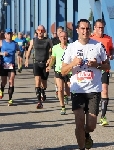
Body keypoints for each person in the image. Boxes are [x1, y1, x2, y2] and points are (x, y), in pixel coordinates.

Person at [61, 19, 110, 150]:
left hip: (94, 90)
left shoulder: (98, 46)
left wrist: (96, 65)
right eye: (82, 28)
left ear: (90, 30)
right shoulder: (71, 48)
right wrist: (73, 63)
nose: (85, 31)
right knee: (79, 121)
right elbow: (63, 70)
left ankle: (87, 134)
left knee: (91, 125)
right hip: (77, 89)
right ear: (77, 30)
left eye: (87, 28)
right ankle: (81, 148)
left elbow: (107, 66)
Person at [90, 19, 113, 126]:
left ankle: (103, 117)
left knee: (104, 91)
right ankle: (91, 112)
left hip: (104, 68)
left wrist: (112, 54)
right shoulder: (90, 39)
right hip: (93, 69)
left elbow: (112, 49)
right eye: (98, 27)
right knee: (94, 92)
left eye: (102, 27)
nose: (100, 29)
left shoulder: (108, 39)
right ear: (94, 28)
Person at [25, 25, 53, 109]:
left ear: (44, 31)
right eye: (38, 30)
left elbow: (53, 52)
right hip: (36, 63)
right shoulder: (33, 40)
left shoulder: (48, 41)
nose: (40, 32)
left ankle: (43, 92)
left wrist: (50, 60)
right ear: (36, 31)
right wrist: (26, 59)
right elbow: (29, 50)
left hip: (45, 64)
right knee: (37, 81)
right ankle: (39, 102)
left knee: (44, 84)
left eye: (42, 30)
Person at [46, 31, 70, 115]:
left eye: (65, 36)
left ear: (67, 37)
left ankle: (66, 96)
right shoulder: (55, 47)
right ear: (59, 38)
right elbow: (53, 58)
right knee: (60, 89)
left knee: (68, 91)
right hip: (58, 70)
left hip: (68, 71)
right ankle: (62, 107)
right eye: (61, 36)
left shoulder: (71, 47)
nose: (63, 38)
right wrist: (49, 66)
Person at [0, 28, 19, 106]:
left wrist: (19, 55)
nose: (9, 35)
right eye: (8, 34)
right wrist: (2, 53)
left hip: (11, 64)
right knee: (4, 81)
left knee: (11, 81)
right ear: (5, 35)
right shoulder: (1, 42)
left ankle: (10, 99)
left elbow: (19, 51)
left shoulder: (15, 44)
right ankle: (2, 90)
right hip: (3, 64)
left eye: (10, 34)